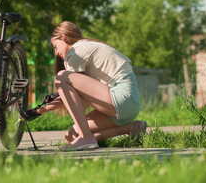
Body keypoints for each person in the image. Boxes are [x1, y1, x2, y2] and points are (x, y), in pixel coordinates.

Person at [22, 21, 147, 151]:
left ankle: (86, 137)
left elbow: (68, 90)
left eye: (55, 46)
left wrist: (38, 111)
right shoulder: (88, 47)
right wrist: (39, 111)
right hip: (128, 105)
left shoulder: (76, 51)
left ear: (63, 38)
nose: (55, 52)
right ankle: (130, 128)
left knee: (62, 77)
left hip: (120, 98)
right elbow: (77, 98)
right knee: (72, 134)